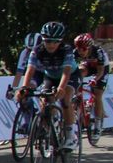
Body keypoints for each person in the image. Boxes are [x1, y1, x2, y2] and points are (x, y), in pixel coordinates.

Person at [19, 21, 77, 150]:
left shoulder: (66, 50)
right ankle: (51, 126)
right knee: (44, 102)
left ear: (60, 41)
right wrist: (24, 88)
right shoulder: (37, 50)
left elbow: (67, 71)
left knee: (65, 99)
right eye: (47, 41)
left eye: (55, 41)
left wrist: (61, 87)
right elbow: (30, 70)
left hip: (70, 76)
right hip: (50, 76)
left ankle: (70, 135)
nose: (51, 44)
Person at [71, 32, 110, 130]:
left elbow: (100, 71)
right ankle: (78, 98)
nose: (80, 52)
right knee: (79, 71)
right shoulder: (75, 52)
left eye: (83, 49)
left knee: (97, 95)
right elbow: (71, 69)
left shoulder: (98, 52)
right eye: (78, 49)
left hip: (101, 69)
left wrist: (95, 79)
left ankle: (97, 124)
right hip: (88, 66)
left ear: (89, 47)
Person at [6, 32, 42, 102]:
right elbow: (19, 73)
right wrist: (13, 89)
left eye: (34, 49)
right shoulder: (24, 53)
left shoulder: (45, 52)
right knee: (25, 90)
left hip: (46, 73)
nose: (32, 52)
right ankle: (28, 109)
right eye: (29, 49)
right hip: (35, 73)